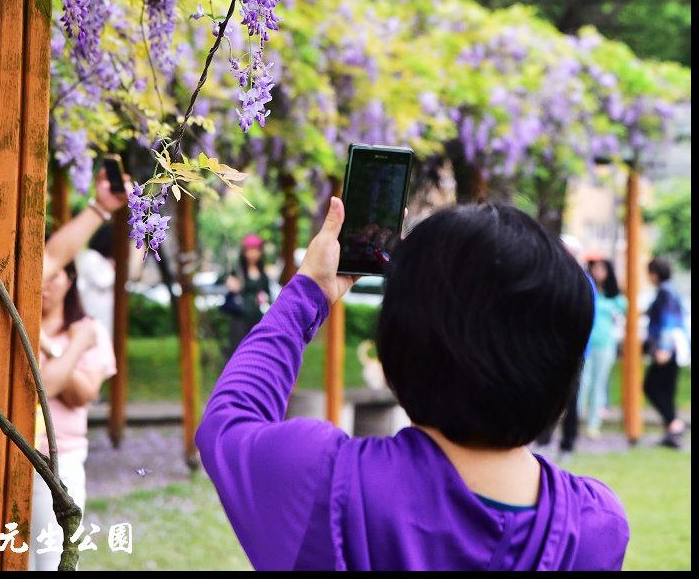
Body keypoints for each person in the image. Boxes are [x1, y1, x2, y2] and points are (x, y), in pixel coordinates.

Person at [197, 201, 629, 571]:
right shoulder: (596, 528)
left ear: (395, 352)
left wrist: (308, 292)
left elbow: (229, 420)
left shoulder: (321, 481)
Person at [29, 168, 128, 570]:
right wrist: (68, 349)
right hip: (14, 448)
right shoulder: (22, 320)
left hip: (59, 454)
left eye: (58, 276)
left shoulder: (88, 329)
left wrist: (101, 209)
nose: (49, 280)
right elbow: (49, 383)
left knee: (49, 556)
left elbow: (83, 392)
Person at [535, 233, 593, 456]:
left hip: (573, 349)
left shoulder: (583, 281)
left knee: (570, 396)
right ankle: (543, 440)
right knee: (546, 394)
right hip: (549, 348)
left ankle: (568, 442)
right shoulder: (547, 277)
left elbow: (588, 316)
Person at [579, 256, 626, 438]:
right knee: (584, 382)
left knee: (599, 383)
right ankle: (577, 417)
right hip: (586, 344)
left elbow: (624, 314)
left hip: (605, 344)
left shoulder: (615, 298)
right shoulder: (588, 291)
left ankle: (593, 423)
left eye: (602, 269)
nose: (598, 272)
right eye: (596, 268)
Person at [643, 257, 689, 448]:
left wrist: (664, 348)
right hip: (677, 347)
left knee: (651, 386)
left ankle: (674, 424)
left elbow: (668, 321)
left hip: (669, 348)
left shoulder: (665, 293)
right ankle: (671, 433)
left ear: (655, 274)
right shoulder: (671, 291)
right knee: (666, 390)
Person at [221, 234, 272, 355]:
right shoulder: (238, 270)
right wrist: (229, 281)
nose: (253, 254)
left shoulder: (263, 273)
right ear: (244, 252)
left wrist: (265, 297)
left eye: (256, 251)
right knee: (239, 351)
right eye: (250, 250)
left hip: (257, 318)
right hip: (240, 318)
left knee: (257, 351)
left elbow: (268, 293)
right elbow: (220, 279)